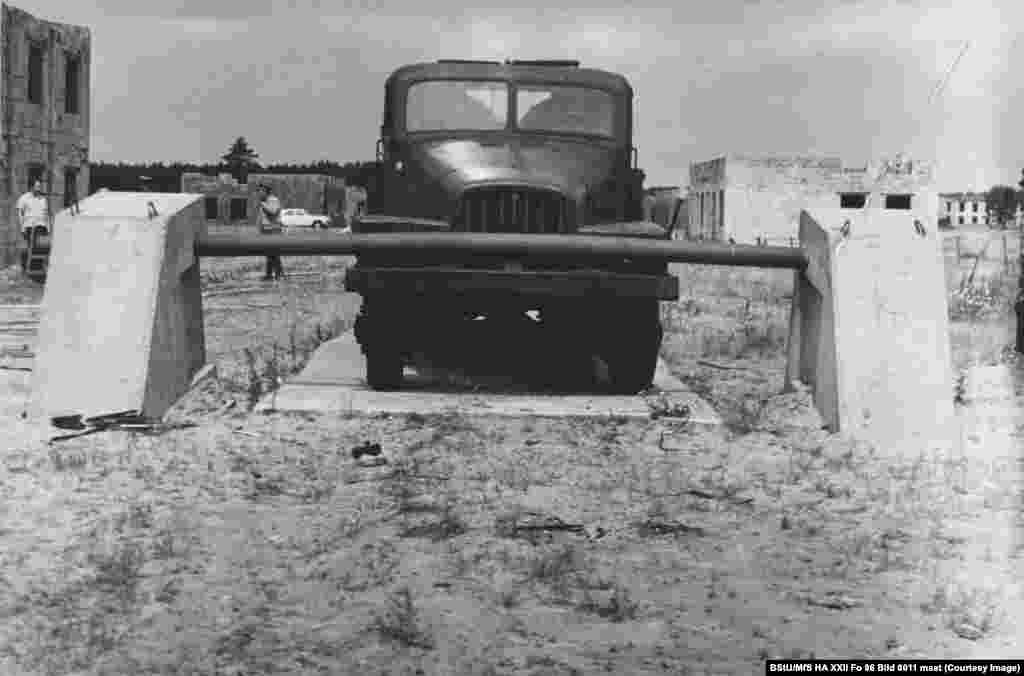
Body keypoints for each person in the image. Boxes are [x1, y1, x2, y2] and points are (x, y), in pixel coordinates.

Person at [17, 180, 49, 270]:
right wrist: (22, 227)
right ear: (31, 187)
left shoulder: (43, 199)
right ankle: (31, 267)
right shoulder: (24, 198)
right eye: (37, 186)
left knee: (43, 245)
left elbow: (46, 213)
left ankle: (38, 266)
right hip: (30, 226)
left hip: (42, 226)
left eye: (40, 186)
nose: (39, 188)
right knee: (34, 245)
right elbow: (20, 213)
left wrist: (48, 226)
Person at [257, 183, 284, 280]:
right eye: (258, 191)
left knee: (274, 254)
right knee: (269, 254)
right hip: (268, 230)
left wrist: (263, 205)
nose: (259, 193)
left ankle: (279, 274)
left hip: (274, 230)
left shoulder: (273, 200)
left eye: (261, 191)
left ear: (266, 191)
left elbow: (273, 211)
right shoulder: (265, 200)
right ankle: (269, 274)